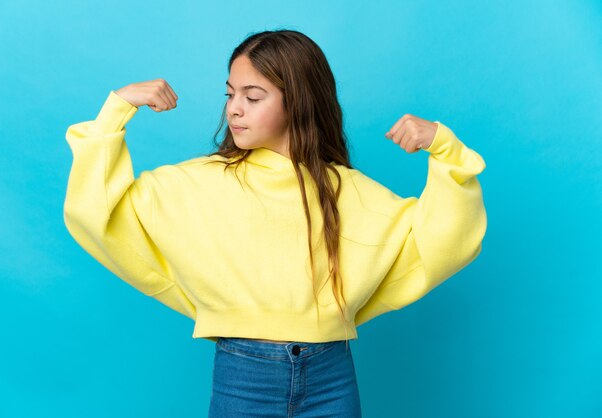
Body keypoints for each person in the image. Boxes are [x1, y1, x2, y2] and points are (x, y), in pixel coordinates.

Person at [63, 29, 487, 418]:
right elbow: (99, 213)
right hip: (243, 375)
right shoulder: (197, 183)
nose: (234, 110)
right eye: (230, 94)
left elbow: (442, 243)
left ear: (297, 100)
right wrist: (116, 110)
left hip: (332, 376)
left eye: (253, 96)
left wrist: (445, 150)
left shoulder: (348, 190)